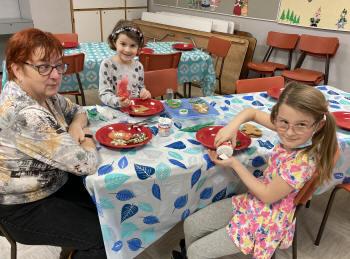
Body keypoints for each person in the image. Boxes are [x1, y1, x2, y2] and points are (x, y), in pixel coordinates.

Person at [179, 82, 338, 259]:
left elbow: (268, 196)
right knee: (191, 224)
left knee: (196, 251)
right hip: (253, 202)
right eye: (283, 122)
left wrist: (234, 164)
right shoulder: (287, 127)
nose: (289, 132)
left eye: (301, 124)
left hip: (266, 220)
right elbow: (251, 112)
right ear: (277, 117)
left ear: (318, 126)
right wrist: (232, 126)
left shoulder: (301, 162)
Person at [0, 28, 106, 259]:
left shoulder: (42, 93)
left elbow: (78, 109)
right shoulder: (26, 113)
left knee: (109, 206)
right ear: (17, 69)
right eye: (43, 67)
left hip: (52, 183)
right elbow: (86, 164)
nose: (56, 75)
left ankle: (72, 250)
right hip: (23, 207)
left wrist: (75, 127)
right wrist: (87, 137)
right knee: (103, 236)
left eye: (58, 65)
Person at [99, 20, 151, 108]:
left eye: (133, 45)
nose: (127, 50)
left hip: (134, 110)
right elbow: (104, 94)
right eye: (123, 44)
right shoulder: (107, 64)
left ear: (138, 47)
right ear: (114, 42)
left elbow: (140, 86)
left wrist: (144, 92)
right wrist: (118, 102)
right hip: (113, 111)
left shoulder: (139, 66)